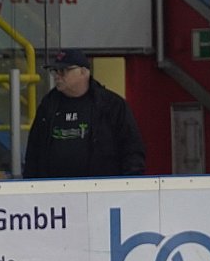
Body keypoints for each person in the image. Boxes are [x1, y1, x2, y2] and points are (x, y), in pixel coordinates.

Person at [22, 48, 145, 178]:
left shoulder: (111, 105)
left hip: (101, 187)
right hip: (54, 188)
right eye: (54, 71)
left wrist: (130, 183)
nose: (57, 76)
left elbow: (132, 149)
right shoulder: (48, 105)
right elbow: (33, 152)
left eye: (63, 70)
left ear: (83, 72)